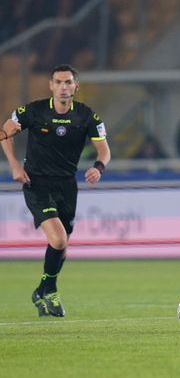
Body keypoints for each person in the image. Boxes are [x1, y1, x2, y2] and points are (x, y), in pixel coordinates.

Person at [0, 64, 111, 317]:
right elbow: (5, 132)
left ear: (76, 86)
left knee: (62, 247)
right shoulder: (33, 111)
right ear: (51, 85)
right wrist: (15, 166)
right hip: (37, 183)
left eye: (68, 82)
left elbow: (104, 150)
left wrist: (99, 167)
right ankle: (49, 291)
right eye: (58, 82)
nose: (63, 87)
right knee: (59, 239)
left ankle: (42, 290)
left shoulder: (86, 116)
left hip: (67, 185)